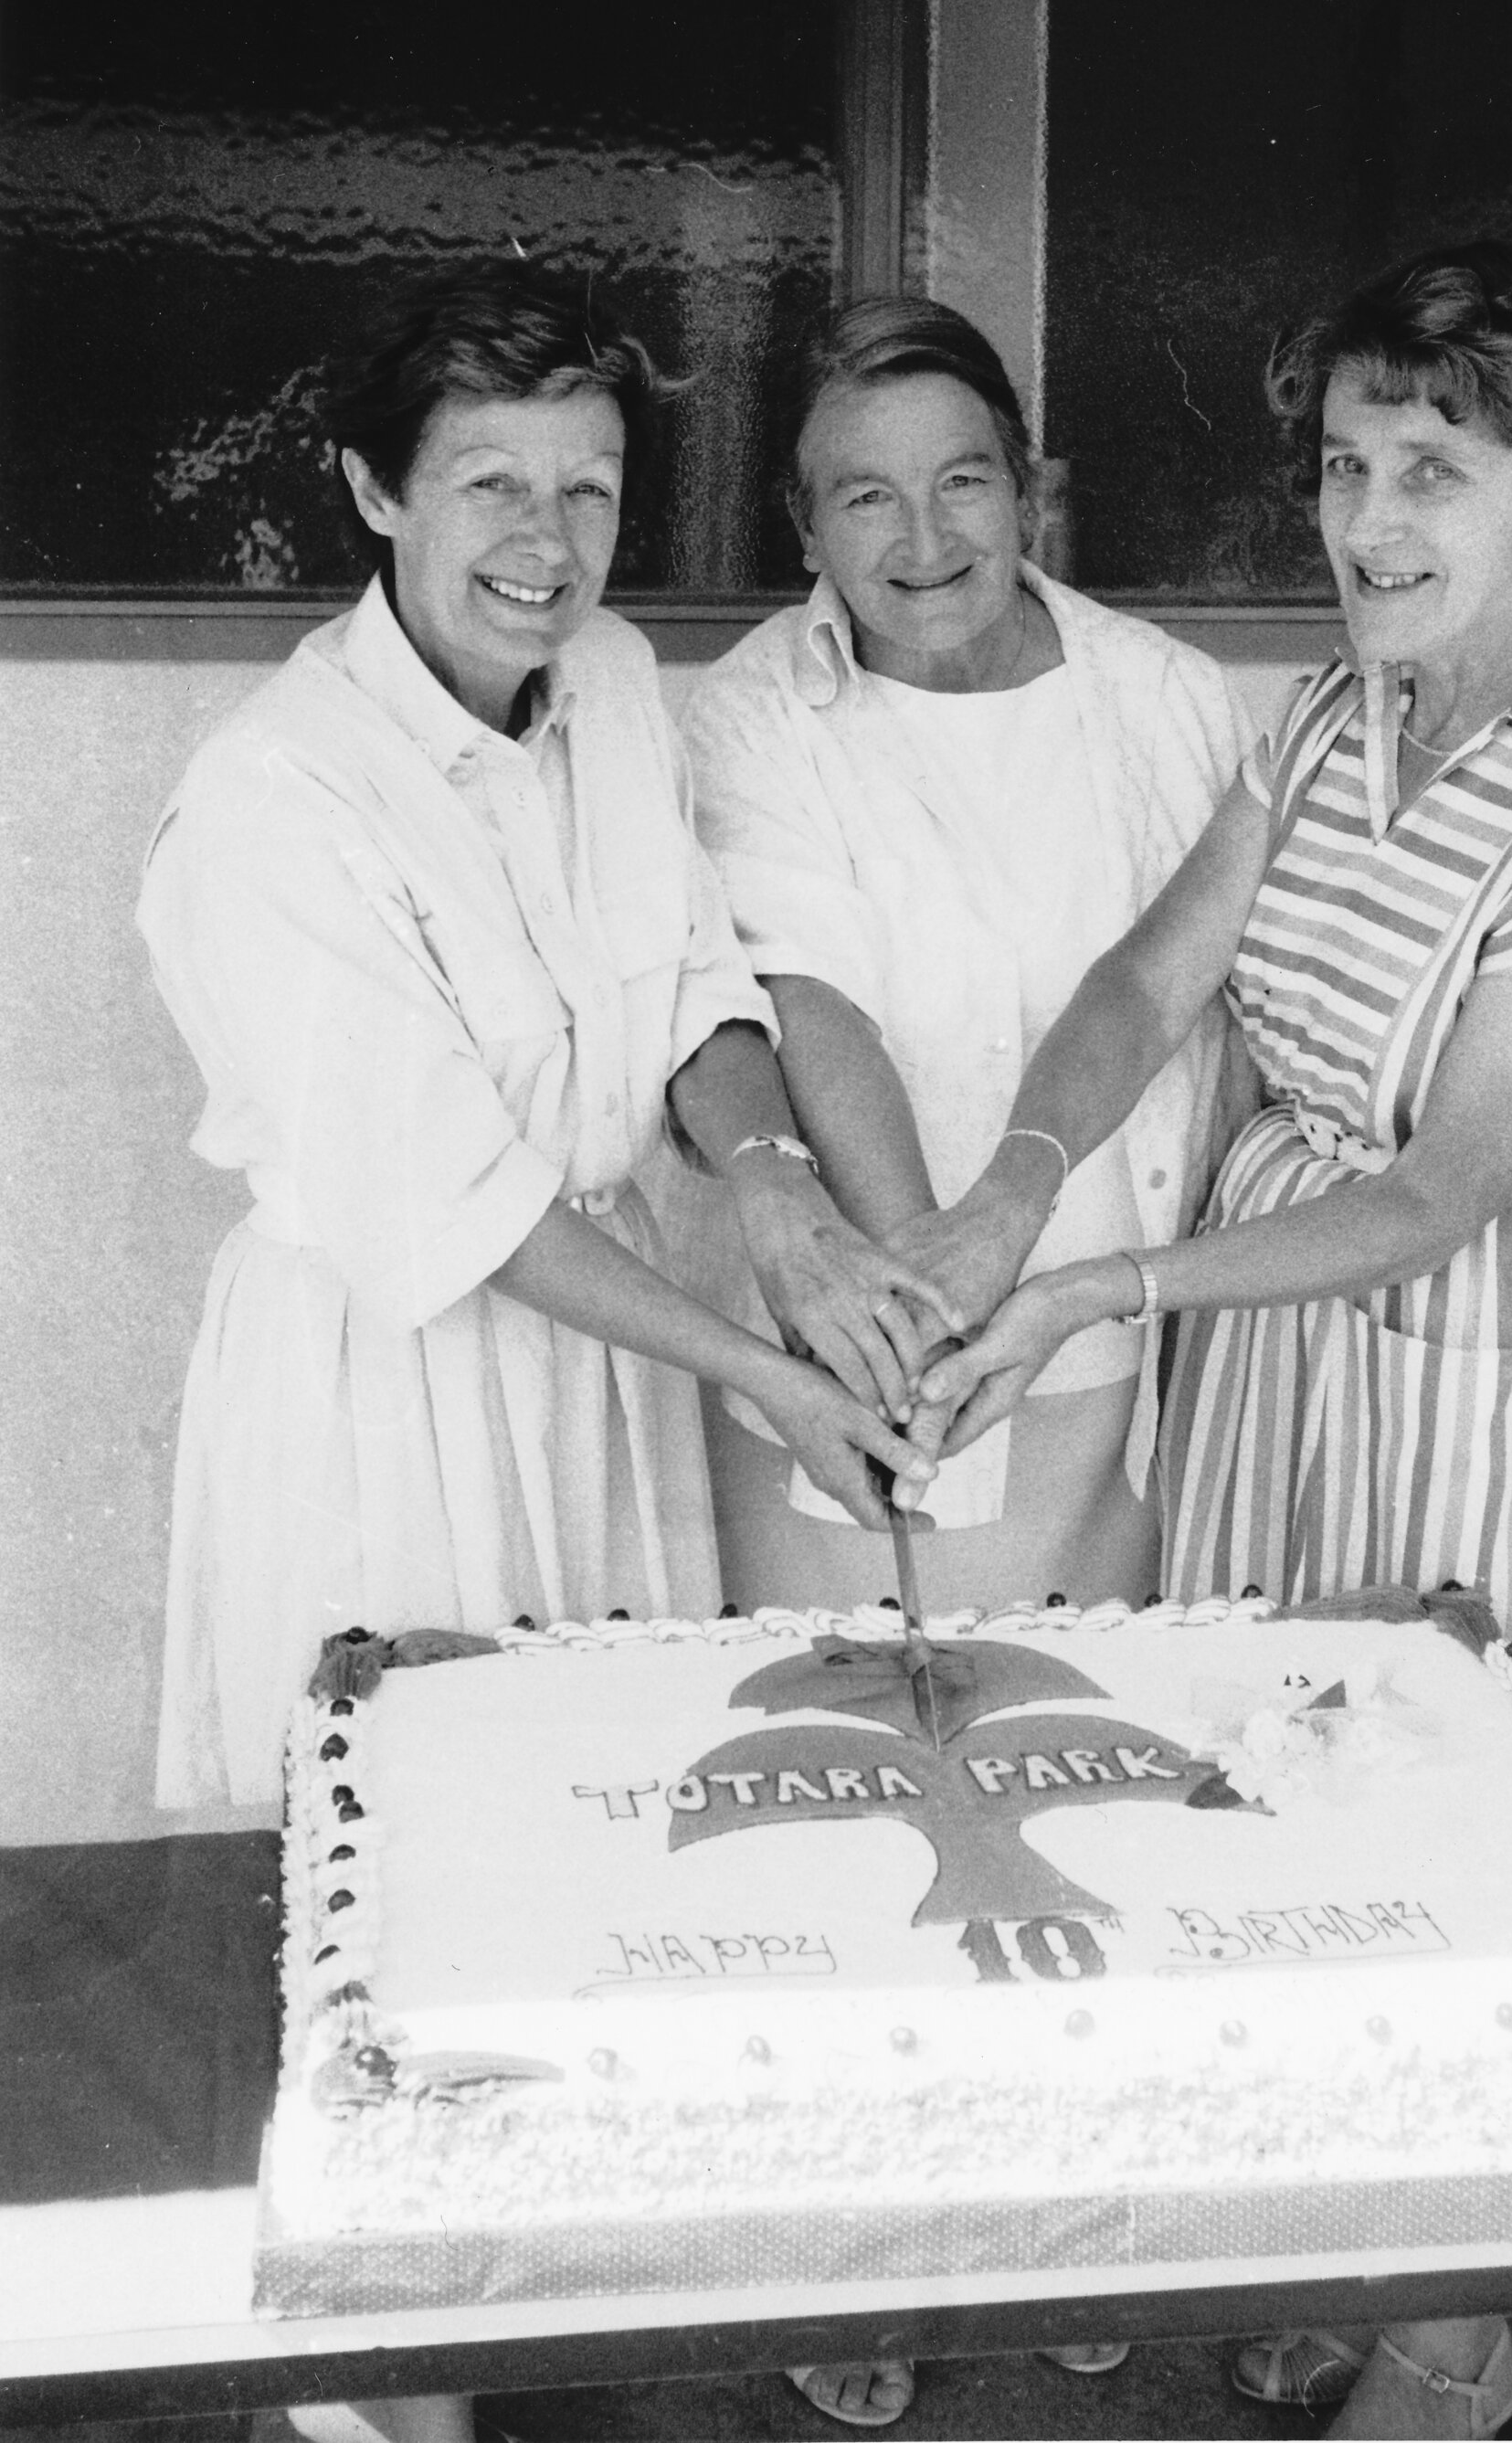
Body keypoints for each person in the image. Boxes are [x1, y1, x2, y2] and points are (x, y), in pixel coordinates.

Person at [910, 242, 1512, 2438]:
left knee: (1461, 1863)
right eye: (1344, 463)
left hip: (1479, 1355)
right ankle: (1372, 2263)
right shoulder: (1332, 710)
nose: (1366, 519)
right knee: (1282, 1839)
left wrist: (1090, 1287)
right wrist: (1012, 1187)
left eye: (1431, 470)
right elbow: (1149, 976)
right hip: (1286, 1350)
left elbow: (1435, 1191)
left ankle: (1451, 2350)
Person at [140, 261, 946, 1824]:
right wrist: (763, 1369)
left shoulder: (617, 680)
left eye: (589, 489)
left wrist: (780, 1196)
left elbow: (696, 988)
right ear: (376, 490)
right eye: (492, 484)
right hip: (392, 1391)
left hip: (610, 1359)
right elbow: (459, 1205)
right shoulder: (272, 799)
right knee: (422, 1848)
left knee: (622, 1828)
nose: (549, 543)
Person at [680, 296, 1254, 1634]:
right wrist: (928, 1323)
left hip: (1113, 1348)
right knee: (843, 1719)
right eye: (867, 497)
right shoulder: (753, 710)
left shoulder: (1169, 693)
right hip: (865, 1360)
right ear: (805, 526)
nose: (925, 540)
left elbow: (1206, 1008)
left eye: (962, 483)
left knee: (1098, 1720)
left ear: (1027, 491)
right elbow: (810, 1008)